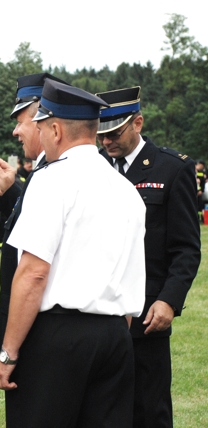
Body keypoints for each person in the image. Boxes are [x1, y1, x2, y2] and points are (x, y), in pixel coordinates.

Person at [0, 79, 146, 428]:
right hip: (115, 335)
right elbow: (132, 276)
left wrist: (8, 351)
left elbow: (33, 273)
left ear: (56, 129)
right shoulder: (126, 189)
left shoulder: (51, 180)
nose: (40, 136)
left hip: (58, 338)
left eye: (41, 127)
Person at [96, 86, 201, 428]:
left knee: (149, 410)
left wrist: (170, 301)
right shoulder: (95, 171)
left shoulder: (171, 169)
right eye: (101, 135)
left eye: (114, 133)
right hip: (99, 313)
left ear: (137, 123)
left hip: (146, 315)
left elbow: (185, 248)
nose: (106, 142)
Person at [0, 72, 67, 361]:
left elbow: (35, 269)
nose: (15, 132)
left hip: (41, 330)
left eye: (21, 122)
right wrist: (11, 192)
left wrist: (9, 351)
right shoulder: (43, 172)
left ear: (45, 122)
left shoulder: (54, 174)